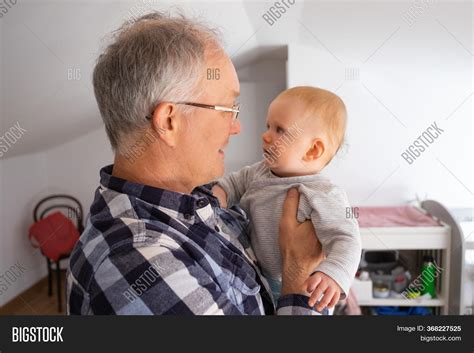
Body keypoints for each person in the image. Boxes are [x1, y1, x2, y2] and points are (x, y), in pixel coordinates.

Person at [66, 12, 325, 315]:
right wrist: (298, 272)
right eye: (227, 108)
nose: (236, 126)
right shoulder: (140, 261)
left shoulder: (197, 198)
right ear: (169, 121)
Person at [213, 87, 362, 312]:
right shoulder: (258, 172)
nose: (265, 135)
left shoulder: (323, 194)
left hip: (307, 288)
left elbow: (347, 239)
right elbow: (232, 185)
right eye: (268, 126)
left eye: (280, 130)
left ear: (312, 150)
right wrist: (217, 197)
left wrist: (333, 273)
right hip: (259, 280)